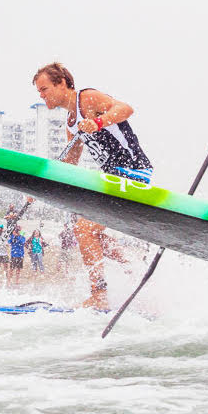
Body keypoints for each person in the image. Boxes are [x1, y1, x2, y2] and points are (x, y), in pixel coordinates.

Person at [33, 62, 153, 310]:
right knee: (89, 230)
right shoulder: (70, 122)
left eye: (44, 89)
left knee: (84, 229)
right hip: (113, 179)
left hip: (133, 174)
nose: (42, 95)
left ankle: (99, 296)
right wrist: (38, 188)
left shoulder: (86, 99)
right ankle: (133, 268)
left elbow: (126, 109)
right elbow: (70, 164)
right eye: (39, 92)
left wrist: (98, 123)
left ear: (62, 83)